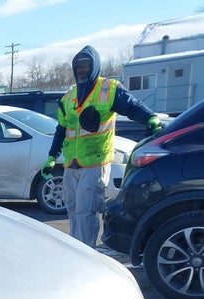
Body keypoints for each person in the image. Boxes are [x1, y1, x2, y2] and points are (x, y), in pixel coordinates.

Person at [42, 45, 163, 247]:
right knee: (72, 209)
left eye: (86, 65)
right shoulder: (69, 97)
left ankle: (85, 253)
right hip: (72, 164)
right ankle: (75, 249)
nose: (82, 70)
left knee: (85, 211)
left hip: (94, 164)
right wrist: (52, 156)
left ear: (95, 66)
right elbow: (61, 129)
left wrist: (150, 118)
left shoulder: (108, 89)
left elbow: (132, 107)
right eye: (78, 66)